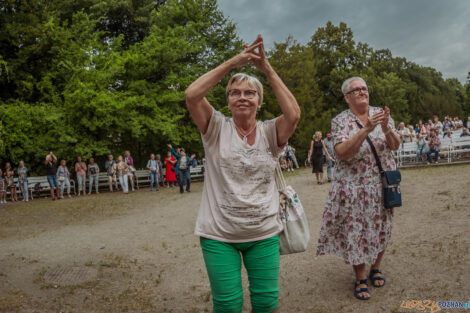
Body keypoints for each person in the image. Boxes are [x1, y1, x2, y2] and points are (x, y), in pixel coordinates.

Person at [185, 34, 300, 313]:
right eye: (235, 93)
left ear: (260, 101)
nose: (242, 97)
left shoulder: (270, 131)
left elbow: (294, 115)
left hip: (263, 232)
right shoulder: (215, 128)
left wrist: (267, 69)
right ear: (228, 101)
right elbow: (191, 95)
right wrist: (235, 62)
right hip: (219, 234)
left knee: (265, 303)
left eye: (250, 93)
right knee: (227, 306)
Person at [316, 77, 400, 301]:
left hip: (382, 185)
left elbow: (395, 145)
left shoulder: (381, 113)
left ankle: (376, 267)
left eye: (364, 88)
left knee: (383, 226)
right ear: (347, 97)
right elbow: (341, 153)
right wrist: (367, 129)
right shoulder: (340, 121)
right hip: (354, 187)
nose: (362, 91)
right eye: (356, 90)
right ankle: (361, 277)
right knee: (355, 231)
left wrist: (386, 129)